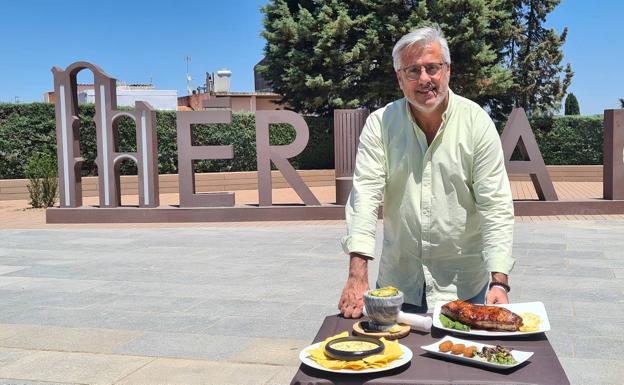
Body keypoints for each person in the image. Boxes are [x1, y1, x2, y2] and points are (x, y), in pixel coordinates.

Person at [338, 26, 515, 318]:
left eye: (432, 68)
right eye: (412, 71)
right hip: (398, 286)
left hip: (464, 288)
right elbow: (365, 197)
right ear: (399, 78)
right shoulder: (379, 124)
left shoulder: (477, 123)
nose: (424, 80)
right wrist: (357, 275)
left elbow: (494, 204)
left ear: (447, 70)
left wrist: (499, 281)